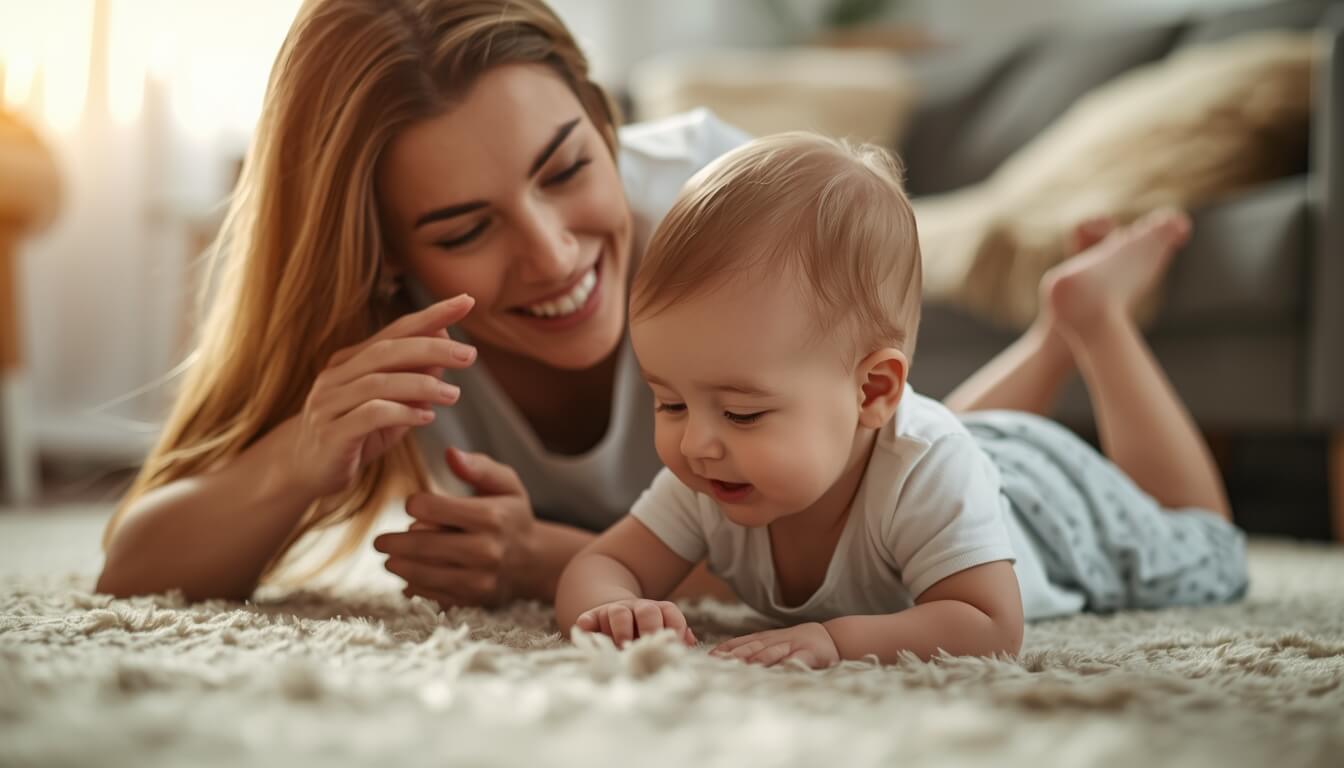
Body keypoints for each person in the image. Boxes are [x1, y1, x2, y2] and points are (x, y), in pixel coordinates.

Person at [94, 0, 1226, 612]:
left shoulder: (719, 213)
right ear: (385, 258)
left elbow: (870, 489)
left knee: (1154, 531)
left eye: (566, 167)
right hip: (922, 471)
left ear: (605, 120)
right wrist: (300, 456)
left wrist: (543, 559)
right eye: (464, 229)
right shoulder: (379, 337)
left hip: (946, 478)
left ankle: (1087, 327)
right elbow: (129, 572)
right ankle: (1066, 326)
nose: (551, 255)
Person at [554, 133, 1248, 667]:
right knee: (947, 440)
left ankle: (1094, 318)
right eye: (669, 403)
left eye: (742, 412)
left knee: (1209, 550)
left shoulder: (930, 470)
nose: (694, 443)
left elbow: (989, 625)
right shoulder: (713, 472)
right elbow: (601, 565)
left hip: (1049, 509)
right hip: (952, 447)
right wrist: (614, 608)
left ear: (872, 391)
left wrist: (839, 641)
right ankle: (1054, 332)